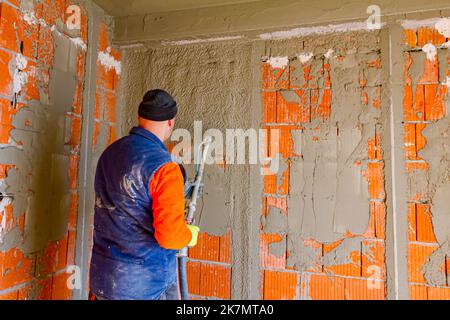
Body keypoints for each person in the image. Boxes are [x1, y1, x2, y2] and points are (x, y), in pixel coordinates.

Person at [88, 89, 200, 300]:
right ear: (170, 122)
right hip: (142, 285)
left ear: (140, 117)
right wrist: (188, 234)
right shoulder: (165, 168)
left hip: (103, 276)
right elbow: (170, 237)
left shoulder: (110, 153)